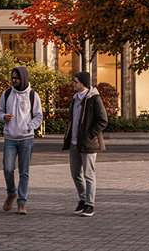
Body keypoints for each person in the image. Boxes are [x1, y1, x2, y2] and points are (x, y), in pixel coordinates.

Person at [0, 65, 43, 214]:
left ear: (23, 78)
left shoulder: (33, 95)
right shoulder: (7, 93)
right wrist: (3, 117)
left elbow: (38, 115)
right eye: (12, 78)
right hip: (10, 138)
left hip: (26, 139)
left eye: (17, 78)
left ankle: (22, 202)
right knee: (8, 169)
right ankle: (11, 192)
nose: (14, 80)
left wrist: (31, 126)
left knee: (24, 172)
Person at [61, 70, 109, 216]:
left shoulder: (94, 98)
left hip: (88, 144)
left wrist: (89, 135)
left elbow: (103, 120)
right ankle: (82, 199)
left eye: (75, 81)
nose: (73, 84)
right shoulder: (75, 98)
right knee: (75, 174)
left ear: (83, 83)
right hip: (74, 143)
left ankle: (90, 204)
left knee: (89, 174)